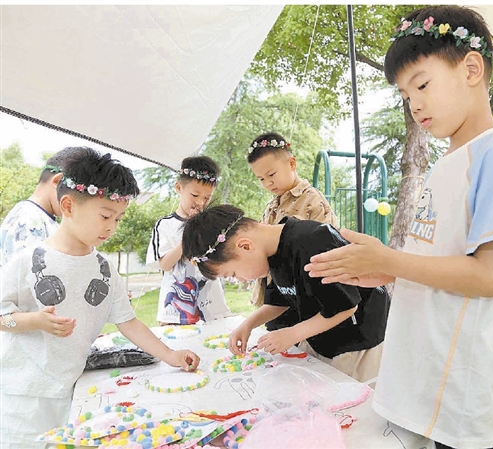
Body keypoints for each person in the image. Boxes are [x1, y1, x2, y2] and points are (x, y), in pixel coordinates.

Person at [304, 6, 493, 449]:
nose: (415, 105)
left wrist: (391, 260)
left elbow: (491, 276)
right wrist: (385, 269)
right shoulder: (445, 163)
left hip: (463, 389)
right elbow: (440, 260)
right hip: (427, 378)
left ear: (471, 69)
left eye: (423, 85)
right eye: (406, 95)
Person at [0, 148, 200, 449]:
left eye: (118, 218)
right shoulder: (26, 261)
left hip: (71, 390)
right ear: (68, 205)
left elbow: (129, 322)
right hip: (21, 397)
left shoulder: (104, 268)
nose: (112, 227)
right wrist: (34, 321)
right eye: (105, 215)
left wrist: (170, 355)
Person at [181, 204, 389, 383]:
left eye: (234, 274)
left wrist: (293, 334)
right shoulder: (273, 251)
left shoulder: (311, 242)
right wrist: (248, 325)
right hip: (322, 335)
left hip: (356, 340)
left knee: (351, 402)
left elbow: (344, 306)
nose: (241, 280)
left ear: (245, 246)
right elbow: (282, 299)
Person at [247, 132, 339, 331]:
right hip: (275, 297)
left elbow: (326, 249)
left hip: (304, 297)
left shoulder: (313, 201)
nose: (267, 183)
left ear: (292, 163)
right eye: (261, 179)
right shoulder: (271, 205)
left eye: (271, 175)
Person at [146, 155, 231, 326]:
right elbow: (165, 265)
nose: (200, 202)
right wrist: (188, 238)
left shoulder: (212, 224)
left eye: (207, 198)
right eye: (195, 195)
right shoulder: (165, 225)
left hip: (212, 306)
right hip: (176, 311)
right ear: (179, 187)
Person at [0, 146, 89, 267]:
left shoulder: (37, 217)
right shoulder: (28, 219)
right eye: (81, 195)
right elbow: (29, 275)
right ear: (58, 181)